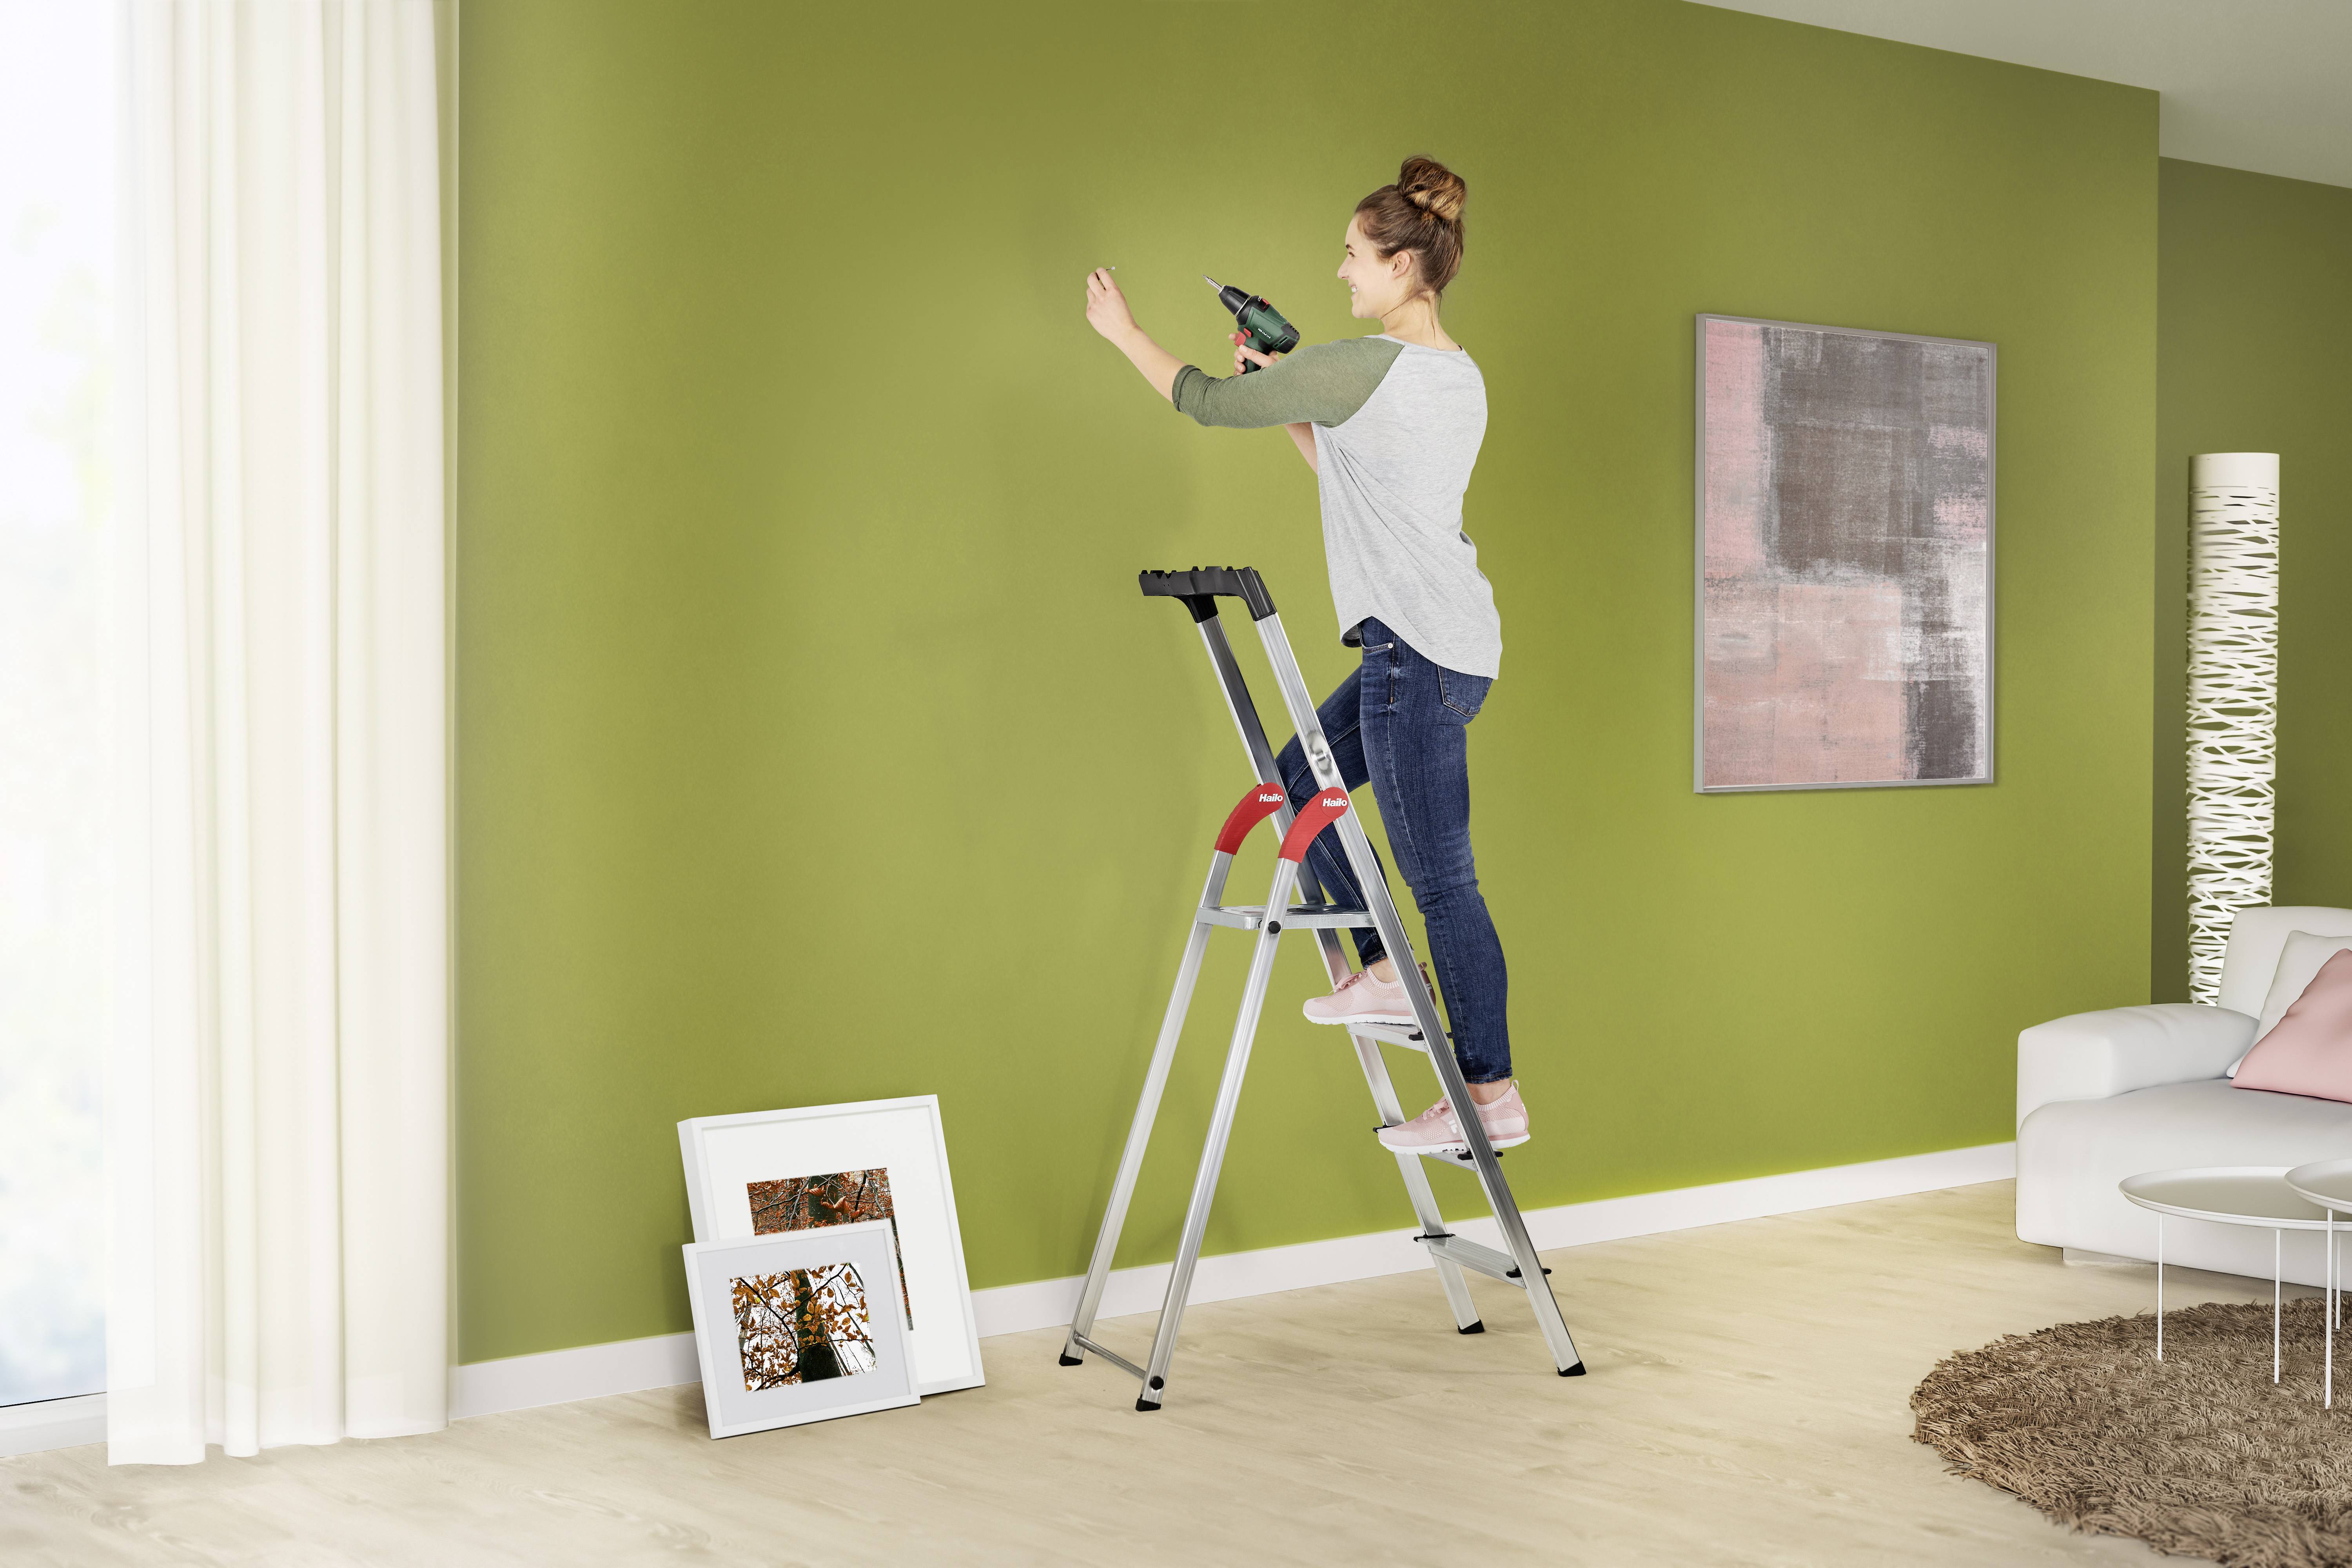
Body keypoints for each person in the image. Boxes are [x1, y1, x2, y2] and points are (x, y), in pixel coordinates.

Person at [1083, 155, 1525, 1156]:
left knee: (1442, 878)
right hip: (1446, 646)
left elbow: (1197, 400)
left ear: (1407, 266)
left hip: (1415, 651)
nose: (1341, 273)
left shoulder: (1363, 368)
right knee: (1294, 788)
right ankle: (1378, 969)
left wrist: (1126, 335)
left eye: (1355, 255)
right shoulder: (1458, 379)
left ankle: (1489, 1087)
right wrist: (1290, 398)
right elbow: (1353, 477)